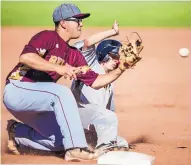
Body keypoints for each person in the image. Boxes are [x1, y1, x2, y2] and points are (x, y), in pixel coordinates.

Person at [3, 3, 130, 161]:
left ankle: (17, 132)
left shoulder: (73, 55)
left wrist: (121, 69)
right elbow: (26, 57)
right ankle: (75, 149)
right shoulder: (47, 37)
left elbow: (97, 81)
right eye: (77, 20)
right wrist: (58, 68)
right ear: (63, 22)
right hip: (18, 90)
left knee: (59, 141)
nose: (81, 24)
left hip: (39, 103)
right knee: (62, 92)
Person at [71, 22, 129, 150]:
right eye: (113, 56)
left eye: (118, 58)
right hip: (77, 117)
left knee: (122, 143)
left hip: (92, 124)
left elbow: (109, 113)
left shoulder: (109, 82)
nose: (116, 61)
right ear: (103, 54)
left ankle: (95, 144)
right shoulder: (91, 66)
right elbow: (88, 42)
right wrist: (113, 31)